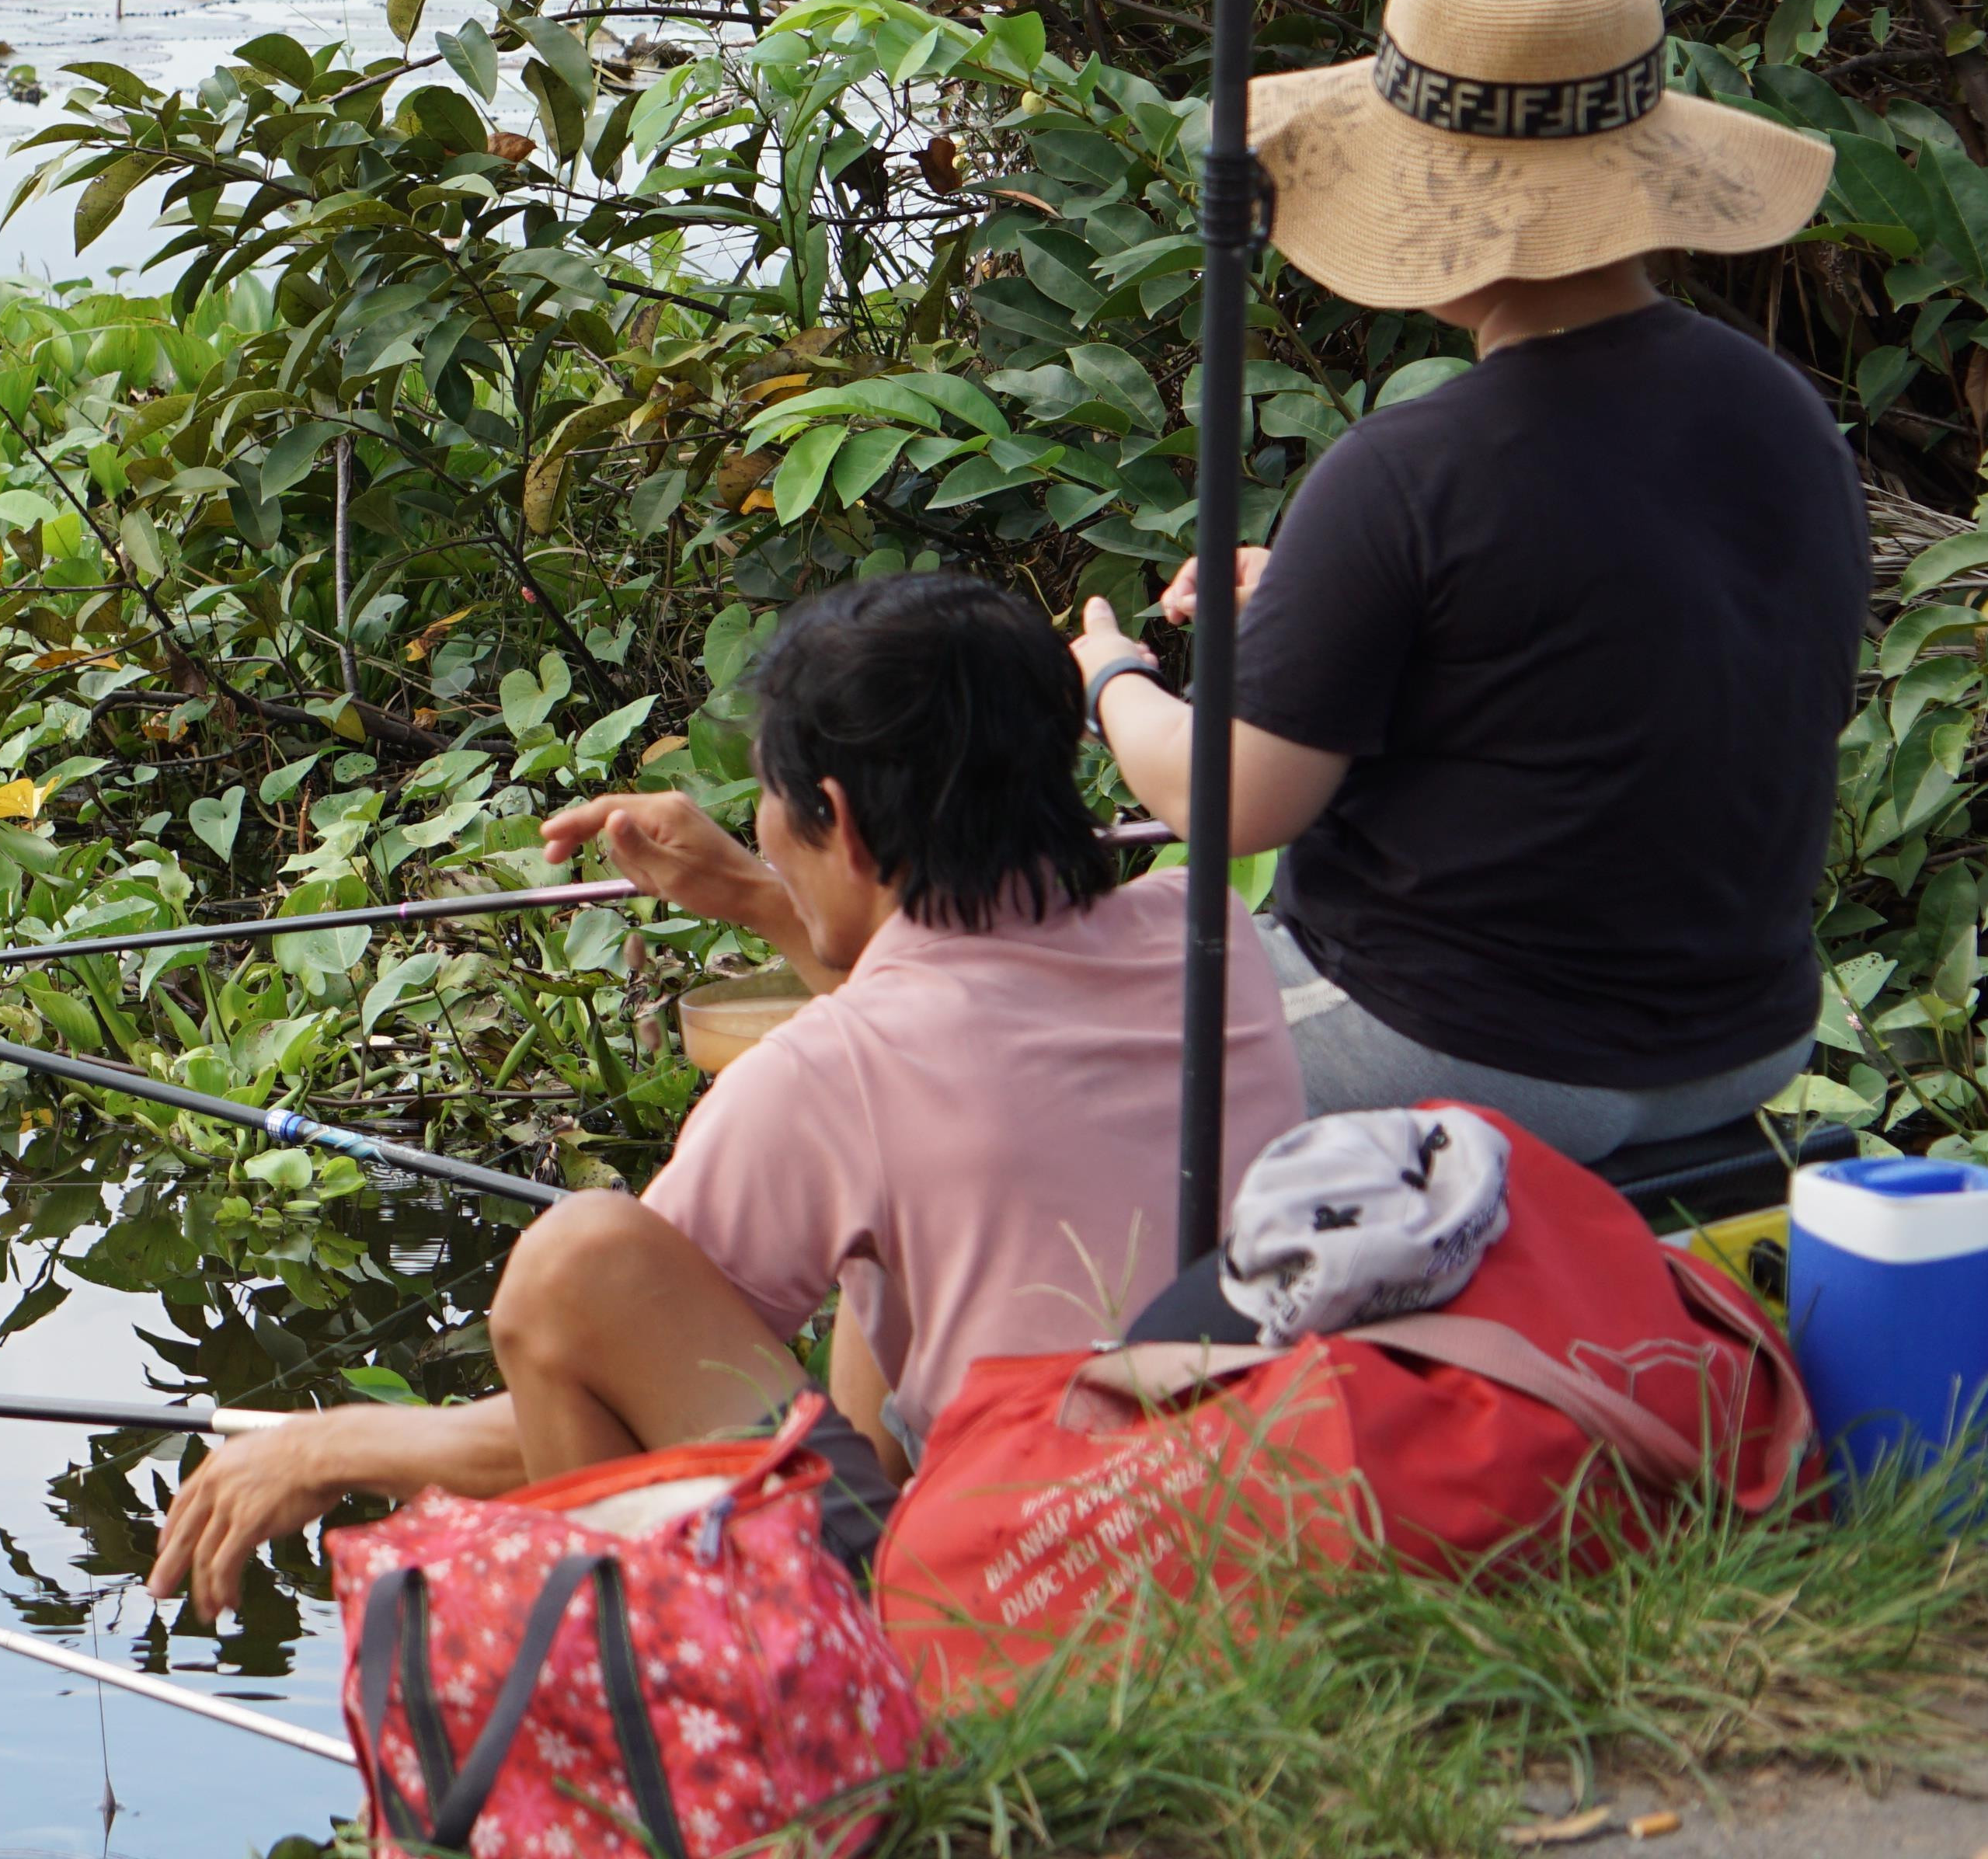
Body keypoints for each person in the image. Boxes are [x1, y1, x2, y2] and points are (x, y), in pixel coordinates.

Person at [144, 571, 1301, 1617]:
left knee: (575, 1269)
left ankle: (715, 1714)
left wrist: (321, 1444)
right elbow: (954, 1035)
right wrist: (761, 901)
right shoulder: (1210, 938)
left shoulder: (826, 1076)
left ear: (835, 818)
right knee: (876, 1281)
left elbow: (608, 1386)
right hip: (1246, 1540)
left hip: (1013, 1604)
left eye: (772, 799)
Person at [1068, 0, 1866, 1162]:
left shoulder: (1408, 469)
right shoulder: (1784, 415)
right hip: (1746, 1033)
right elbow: (1619, 656)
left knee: (1034, 1061)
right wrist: (1322, 608)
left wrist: (1110, 678)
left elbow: (1227, 802)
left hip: (1470, 1045)